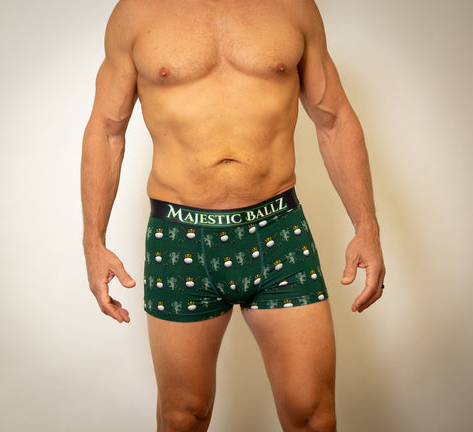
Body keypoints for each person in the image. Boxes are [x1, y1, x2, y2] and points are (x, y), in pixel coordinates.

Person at [81, 0, 385, 430]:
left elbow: (333, 119)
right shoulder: (137, 13)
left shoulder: (294, 8)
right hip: (180, 238)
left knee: (313, 415)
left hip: (279, 231)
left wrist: (366, 227)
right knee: (183, 417)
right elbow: (107, 129)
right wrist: (93, 242)